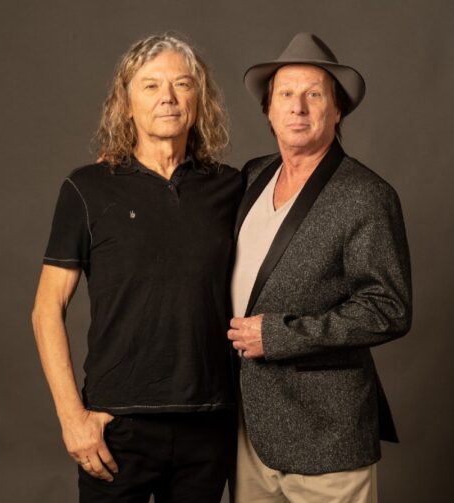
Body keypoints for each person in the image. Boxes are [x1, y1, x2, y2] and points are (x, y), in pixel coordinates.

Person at [32, 34, 241, 503]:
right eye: (150, 85)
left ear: (199, 100)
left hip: (208, 422)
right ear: (126, 104)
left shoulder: (231, 188)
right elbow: (46, 310)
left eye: (182, 84)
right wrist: (72, 419)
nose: (168, 97)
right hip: (115, 426)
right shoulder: (87, 189)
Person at [228, 32, 412, 502]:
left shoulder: (366, 195)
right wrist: (124, 166)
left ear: (337, 110)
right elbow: (187, 193)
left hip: (327, 434)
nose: (298, 107)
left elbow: (387, 308)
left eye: (314, 95)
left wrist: (280, 336)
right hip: (248, 430)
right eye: (285, 94)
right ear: (269, 110)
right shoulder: (252, 176)